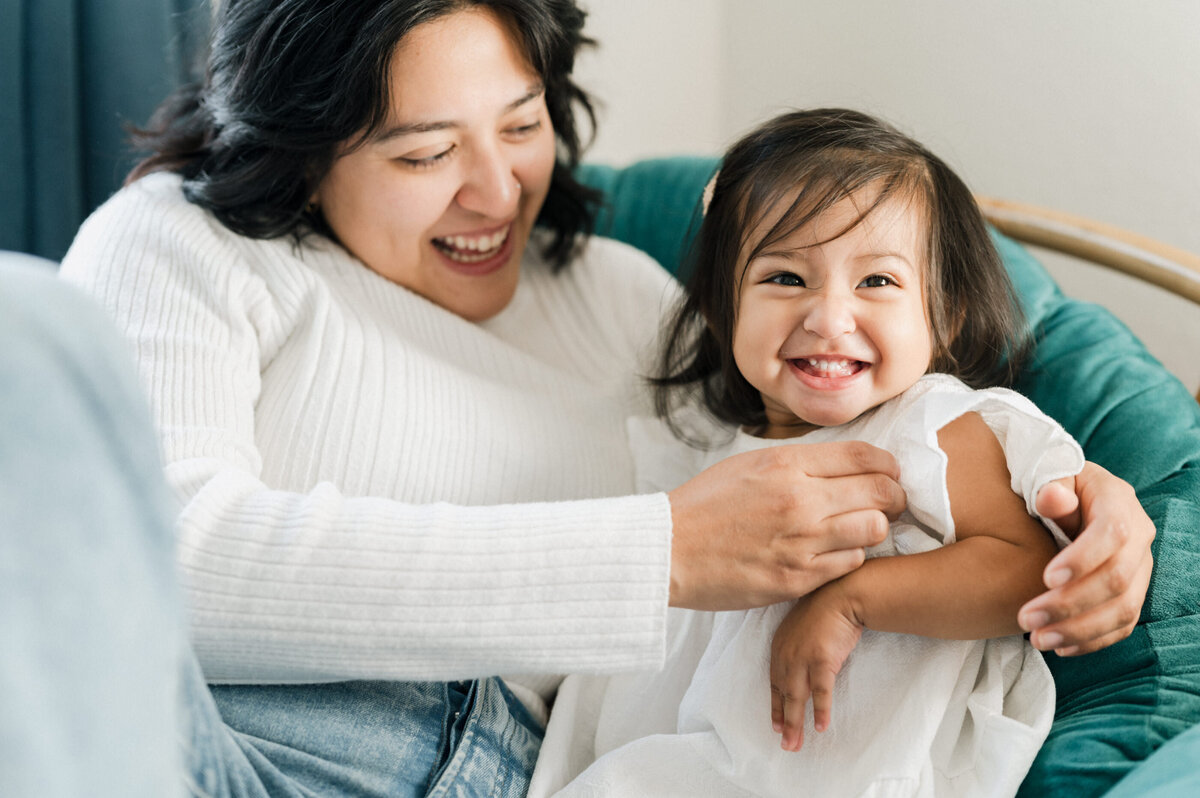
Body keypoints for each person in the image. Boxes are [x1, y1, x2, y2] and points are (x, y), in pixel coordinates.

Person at [39, 0, 1152, 794]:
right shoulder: (186, 242)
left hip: (480, 755)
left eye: (522, 126)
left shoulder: (621, 294)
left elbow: (856, 435)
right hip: (198, 710)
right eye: (425, 154)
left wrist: (1082, 496)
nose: (498, 191)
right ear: (299, 149)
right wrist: (656, 552)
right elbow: (139, 573)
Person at [531, 108, 1090, 797]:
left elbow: (1028, 569)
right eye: (786, 278)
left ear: (944, 313)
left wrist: (851, 602)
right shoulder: (708, 447)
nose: (828, 318)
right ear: (720, 307)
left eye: (877, 282)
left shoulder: (928, 425)